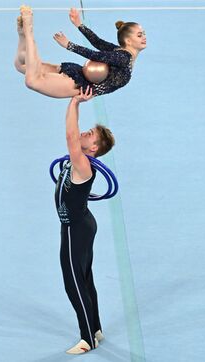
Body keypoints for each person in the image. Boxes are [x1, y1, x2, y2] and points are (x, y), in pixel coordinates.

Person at [54, 86, 115, 354]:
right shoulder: (77, 160)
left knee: (73, 282)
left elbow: (69, 134)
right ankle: (97, 328)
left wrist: (75, 102)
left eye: (90, 134)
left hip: (74, 229)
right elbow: (72, 138)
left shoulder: (82, 163)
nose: (84, 132)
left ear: (93, 148)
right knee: (86, 278)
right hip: (83, 223)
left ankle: (87, 337)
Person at [15, 6, 147, 98]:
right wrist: (69, 44)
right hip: (77, 85)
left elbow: (98, 42)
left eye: (143, 34)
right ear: (128, 41)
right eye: (140, 35)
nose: (144, 38)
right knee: (32, 81)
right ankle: (28, 29)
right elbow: (97, 53)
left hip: (77, 73)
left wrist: (79, 25)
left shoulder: (119, 52)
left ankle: (22, 35)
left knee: (21, 66)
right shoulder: (124, 57)